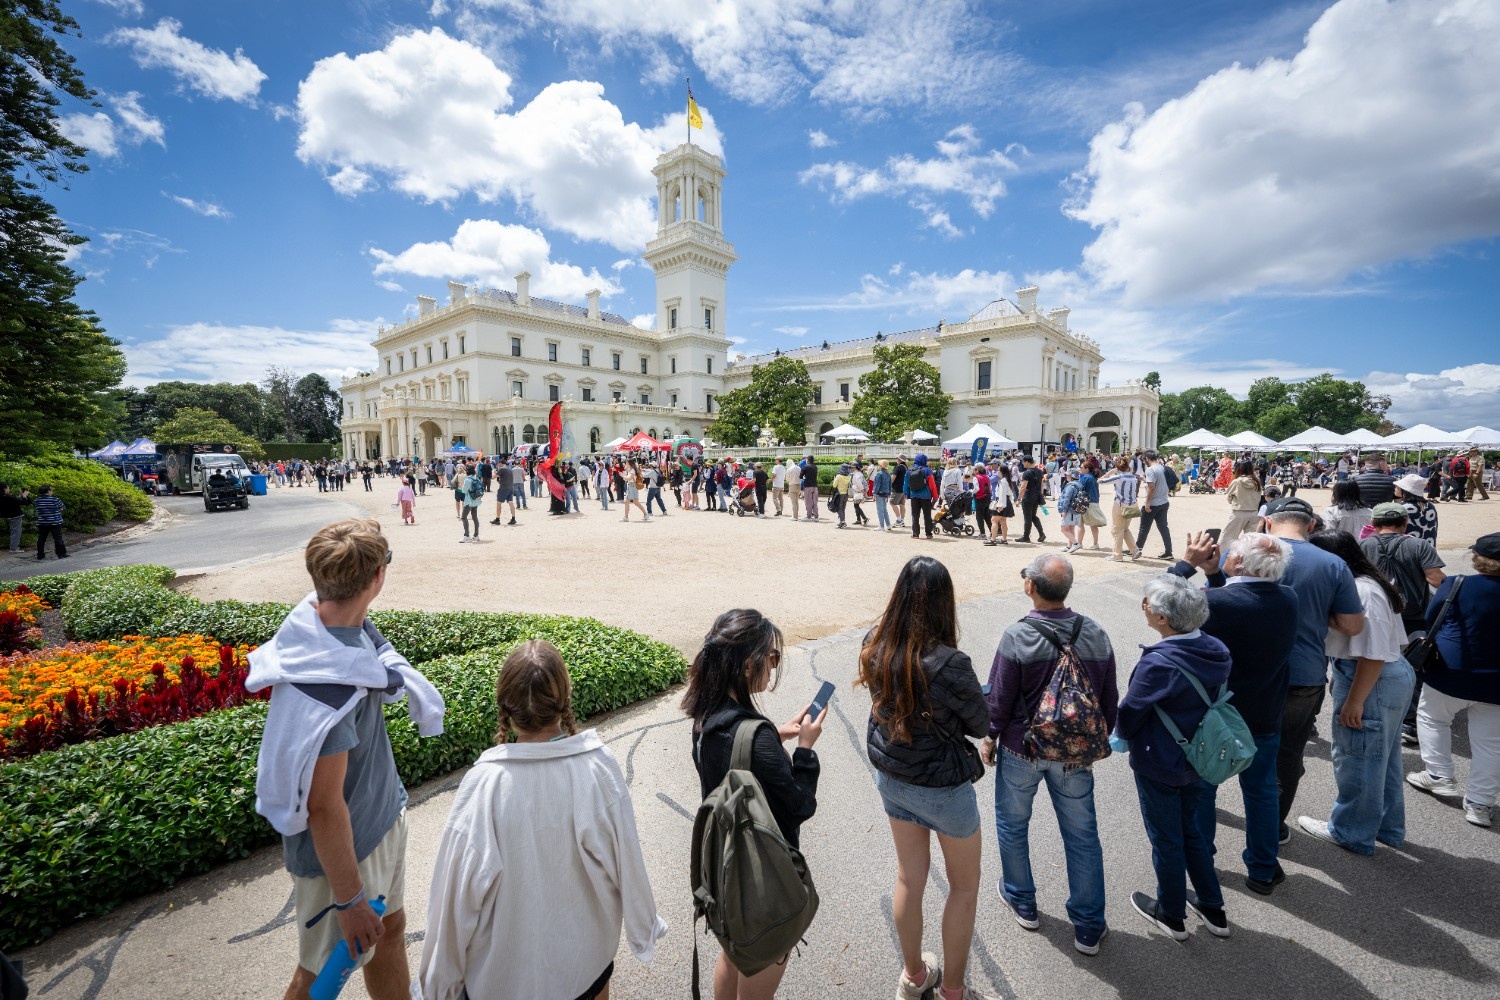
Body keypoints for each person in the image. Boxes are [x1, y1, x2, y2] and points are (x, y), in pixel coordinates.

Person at [246, 519, 445, 1000]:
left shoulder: (330, 627)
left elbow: (366, 636)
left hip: (379, 819)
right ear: (378, 577)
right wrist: (350, 898)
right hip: (345, 849)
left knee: (391, 929)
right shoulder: (325, 685)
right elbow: (323, 806)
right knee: (319, 973)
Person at [417, 640, 667, 999]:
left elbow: (454, 897)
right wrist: (643, 929)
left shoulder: (484, 786)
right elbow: (628, 858)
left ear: (505, 705)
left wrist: (438, 985)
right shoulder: (598, 769)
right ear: (564, 699)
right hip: (587, 967)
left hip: (502, 980)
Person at [859, 557, 994, 1000]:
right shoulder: (950, 662)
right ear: (943, 604)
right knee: (963, 888)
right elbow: (979, 722)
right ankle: (953, 990)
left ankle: (914, 977)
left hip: (894, 777)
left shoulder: (874, 644)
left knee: (908, 878)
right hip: (942, 788)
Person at [682, 609, 824, 1000]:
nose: (773, 664)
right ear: (747, 666)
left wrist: (773, 736)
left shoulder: (704, 717)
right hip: (760, 884)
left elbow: (727, 772)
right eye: (771, 657)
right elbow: (799, 804)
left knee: (732, 954)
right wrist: (806, 750)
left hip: (723, 871)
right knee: (760, 965)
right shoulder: (755, 737)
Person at [981, 554, 1117, 956]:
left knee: (1012, 824)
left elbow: (1000, 699)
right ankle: (1089, 924)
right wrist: (1093, 741)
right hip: (1075, 754)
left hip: (1023, 747)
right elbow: (1108, 698)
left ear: (1030, 587)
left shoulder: (1017, 636)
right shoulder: (1094, 632)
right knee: (1082, 836)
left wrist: (989, 737)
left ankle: (1023, 900)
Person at [1172, 533, 1299, 895]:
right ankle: (1262, 868)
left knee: (1203, 790)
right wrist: (1215, 574)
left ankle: (1202, 861)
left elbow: (1163, 601)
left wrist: (1189, 564)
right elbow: (1239, 605)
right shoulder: (1288, 598)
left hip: (1216, 718)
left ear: (1240, 562)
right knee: (1260, 792)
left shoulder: (1219, 602)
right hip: (1265, 713)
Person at [1117, 574, 1233, 941]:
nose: (1145, 607)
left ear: (1164, 619)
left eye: (1148, 604)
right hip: (1201, 753)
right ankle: (1212, 906)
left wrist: (1120, 737)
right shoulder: (1215, 648)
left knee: (1166, 838)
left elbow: (1132, 711)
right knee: (1192, 831)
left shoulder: (1159, 663)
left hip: (1161, 758)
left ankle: (1171, 912)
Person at [1296, 530, 1416, 855]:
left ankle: (1351, 831)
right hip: (1383, 675)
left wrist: (1355, 700)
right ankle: (1386, 828)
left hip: (1372, 677)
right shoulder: (1366, 582)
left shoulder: (1362, 590)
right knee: (1383, 759)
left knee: (1358, 757)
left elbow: (1373, 654)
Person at [1258, 497, 1366, 841]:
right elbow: (1352, 625)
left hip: (1247, 674)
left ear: (1268, 523)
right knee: (1288, 753)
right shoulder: (1333, 563)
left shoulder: (1246, 553)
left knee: (1226, 742)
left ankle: (1204, 818)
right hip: (1304, 674)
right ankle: (1272, 827)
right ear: (1313, 526)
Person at [1406, 533, 1500, 827]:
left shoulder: (1457, 584)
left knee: (1433, 718)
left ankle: (1438, 774)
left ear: (1478, 559)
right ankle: (1480, 803)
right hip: (1496, 679)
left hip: (1451, 668)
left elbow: (1433, 618)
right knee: (1490, 743)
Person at [1097, 458, 1139, 562]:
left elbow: (1100, 481)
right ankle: (1134, 550)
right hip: (1132, 505)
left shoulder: (1118, 477)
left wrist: (1110, 472)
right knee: (1125, 529)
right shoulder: (1134, 477)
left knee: (1117, 530)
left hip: (1120, 504)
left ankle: (1117, 555)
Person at [1135, 451, 1173, 561]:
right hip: (1164, 501)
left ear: (1147, 458)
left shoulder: (1150, 470)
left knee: (1144, 528)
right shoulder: (1162, 468)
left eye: (1144, 460)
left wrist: (1147, 502)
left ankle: (1137, 549)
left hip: (1153, 503)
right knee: (1163, 528)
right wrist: (1144, 479)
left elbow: (1151, 487)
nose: (1144, 462)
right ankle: (1168, 551)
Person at [1220, 460, 1264, 550]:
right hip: (1254, 512)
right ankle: (1250, 559)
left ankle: (1223, 558)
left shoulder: (1237, 482)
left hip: (1239, 512)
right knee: (1252, 540)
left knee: (1229, 537)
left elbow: (1229, 497)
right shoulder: (1257, 481)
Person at [1392, 473, 1439, 544]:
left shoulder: (1401, 508)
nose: (1395, 488)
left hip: (1409, 550)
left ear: (1404, 490)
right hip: (1428, 550)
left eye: (1397, 486)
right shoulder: (1430, 506)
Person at [905, 454, 938, 540]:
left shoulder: (909, 470)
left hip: (914, 496)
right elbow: (932, 485)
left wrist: (907, 494)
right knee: (927, 515)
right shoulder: (927, 470)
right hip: (926, 496)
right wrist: (935, 496)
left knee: (915, 515)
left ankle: (915, 534)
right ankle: (928, 533)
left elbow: (906, 484)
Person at [1017, 456, 1047, 545]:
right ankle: (1041, 534)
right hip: (1036, 496)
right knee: (1033, 516)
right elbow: (1041, 485)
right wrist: (1041, 495)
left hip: (1028, 496)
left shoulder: (1027, 473)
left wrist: (1018, 499)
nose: (1023, 463)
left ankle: (1026, 536)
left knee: (1028, 517)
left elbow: (1023, 487)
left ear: (1027, 462)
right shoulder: (1039, 471)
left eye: (1023, 462)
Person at [31, 485, 65, 561]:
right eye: (51, 490)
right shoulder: (55, 499)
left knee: (41, 539)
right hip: (55, 522)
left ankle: (40, 555)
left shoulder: (36, 500)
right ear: (48, 491)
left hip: (42, 522)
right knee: (58, 538)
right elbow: (62, 507)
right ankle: (61, 554)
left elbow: (36, 509)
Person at [0, 483, 30, 553]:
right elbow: (24, 502)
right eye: (8, 488)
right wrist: (24, 496)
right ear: (4, 489)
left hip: (7, 517)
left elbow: (15, 502)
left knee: (13, 532)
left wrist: (21, 496)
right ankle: (14, 548)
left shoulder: (3, 497)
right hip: (15, 517)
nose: (9, 489)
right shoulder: (8, 497)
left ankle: (14, 547)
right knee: (16, 532)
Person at [491, 460, 517, 525]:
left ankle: (497, 519)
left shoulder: (501, 469)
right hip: (510, 487)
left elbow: (493, 477)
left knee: (499, 503)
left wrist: (493, 472)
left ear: (500, 463)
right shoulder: (510, 469)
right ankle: (513, 518)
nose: (498, 464)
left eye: (498, 463)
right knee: (511, 503)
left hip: (503, 488)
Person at [873, 460, 894, 531]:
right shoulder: (888, 474)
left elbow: (877, 485)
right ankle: (888, 525)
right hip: (885, 493)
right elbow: (890, 485)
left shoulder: (879, 474)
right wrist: (889, 493)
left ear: (881, 466)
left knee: (880, 510)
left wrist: (874, 493)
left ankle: (881, 526)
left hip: (879, 493)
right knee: (884, 510)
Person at [800, 455, 820, 521]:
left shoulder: (805, 467)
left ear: (807, 460)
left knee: (808, 501)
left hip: (808, 485)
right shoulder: (815, 467)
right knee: (815, 501)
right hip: (815, 485)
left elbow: (800, 476)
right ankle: (816, 516)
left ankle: (809, 516)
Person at [891, 456, 908, 528]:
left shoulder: (898, 467)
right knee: (902, 504)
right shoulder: (906, 467)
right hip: (904, 488)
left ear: (898, 459)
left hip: (897, 488)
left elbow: (893, 478)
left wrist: (889, 485)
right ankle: (902, 520)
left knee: (892, 503)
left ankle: (898, 520)